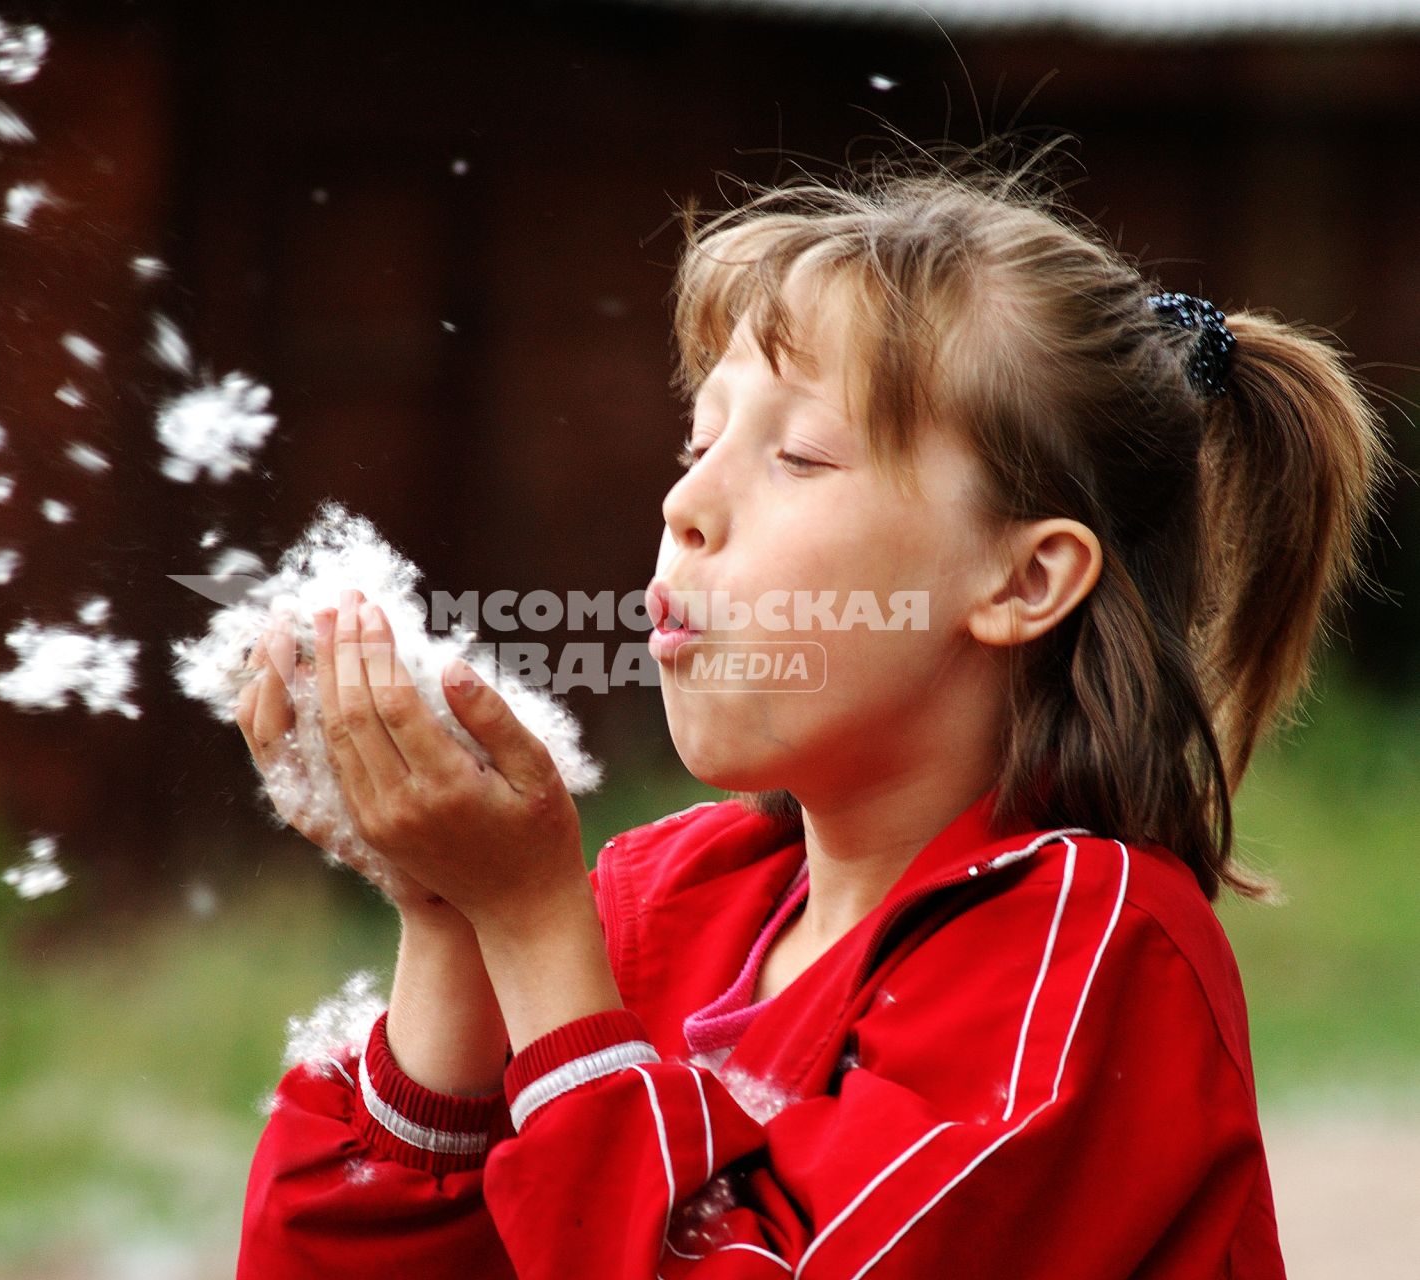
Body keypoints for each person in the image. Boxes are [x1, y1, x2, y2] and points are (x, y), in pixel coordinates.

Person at [229, 149, 1389, 1278]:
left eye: (797, 454)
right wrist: (452, 922)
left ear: (1023, 580)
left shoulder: (1091, 955)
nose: (686, 501)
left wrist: (529, 927)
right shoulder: (661, 905)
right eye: (699, 442)